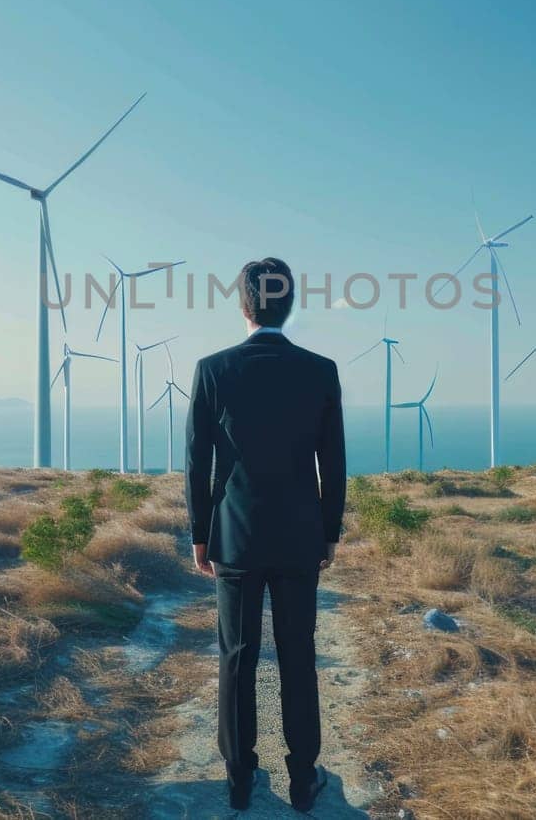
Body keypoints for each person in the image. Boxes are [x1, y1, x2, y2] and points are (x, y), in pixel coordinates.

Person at [185, 257, 347, 812]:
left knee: (237, 656)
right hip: (301, 537)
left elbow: (197, 462)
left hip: (234, 538)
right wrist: (330, 531)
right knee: (298, 655)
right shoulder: (321, 370)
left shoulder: (212, 370)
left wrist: (199, 534)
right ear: (291, 303)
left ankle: (238, 780)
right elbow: (334, 461)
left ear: (244, 304)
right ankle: (304, 780)